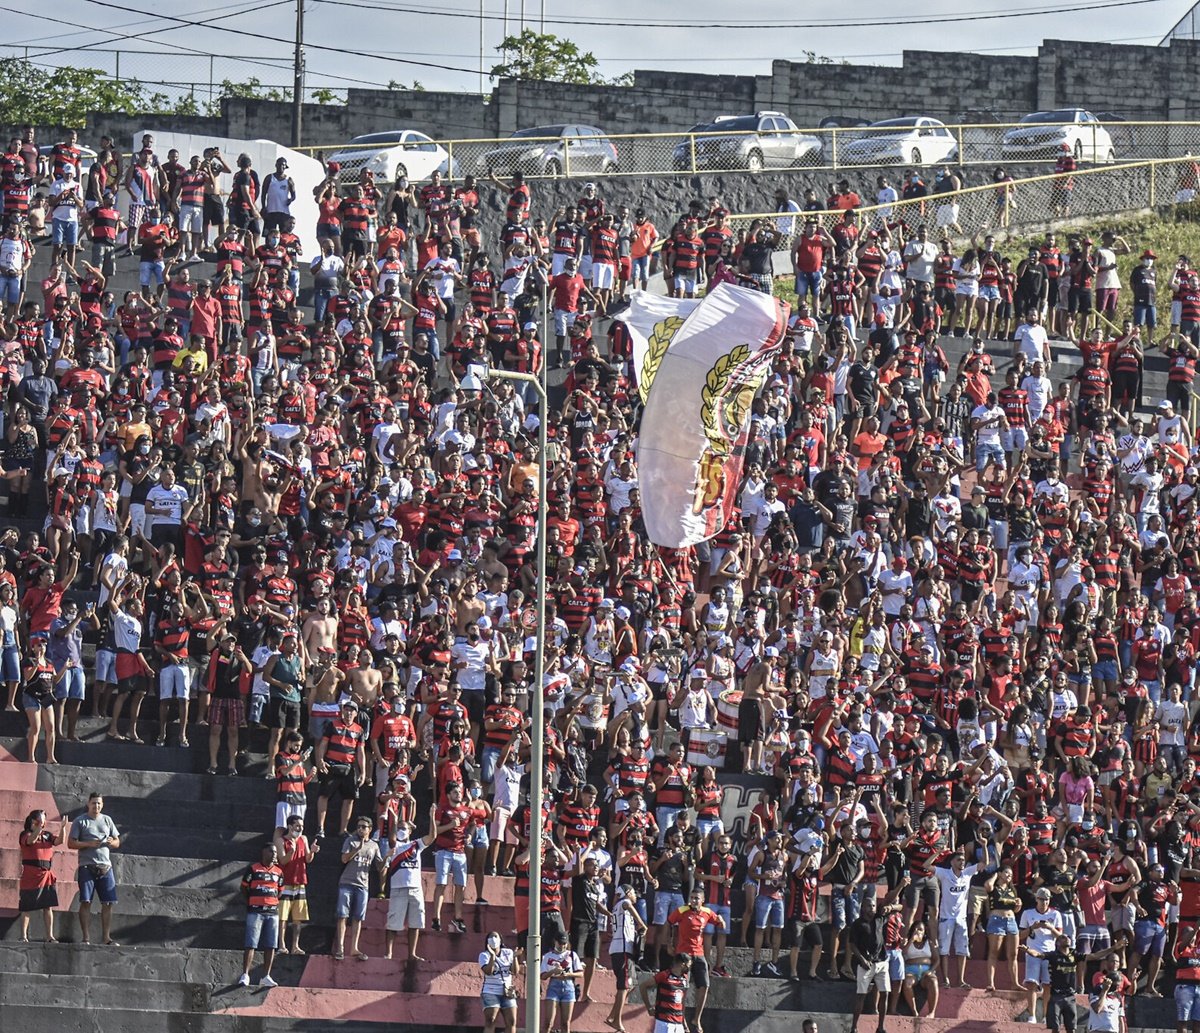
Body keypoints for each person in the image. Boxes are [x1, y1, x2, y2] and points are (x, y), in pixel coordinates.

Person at [384, 804, 438, 962]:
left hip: (415, 889)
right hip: (398, 889)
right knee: (393, 922)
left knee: (416, 921)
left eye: (404, 828)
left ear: (410, 831)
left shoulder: (416, 845)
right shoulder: (394, 846)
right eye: (399, 828)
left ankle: (412, 954)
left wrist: (432, 817)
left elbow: (432, 836)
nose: (401, 830)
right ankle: (388, 953)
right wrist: (394, 819)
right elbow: (392, 837)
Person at [667, 885, 724, 1033]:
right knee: (683, 988)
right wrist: (669, 943)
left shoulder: (706, 912)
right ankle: (682, 1019)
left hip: (698, 954)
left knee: (704, 985)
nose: (693, 900)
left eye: (696, 898)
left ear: (702, 900)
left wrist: (721, 921)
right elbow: (669, 922)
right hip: (683, 954)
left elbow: (718, 921)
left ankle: (696, 1018)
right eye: (691, 898)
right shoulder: (682, 911)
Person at [68, 793, 120, 946]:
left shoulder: (107, 820)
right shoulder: (80, 821)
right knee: (86, 901)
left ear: (102, 805)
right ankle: (86, 938)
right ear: (88, 804)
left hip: (106, 867)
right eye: (93, 803)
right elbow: (71, 843)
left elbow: (117, 841)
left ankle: (106, 938)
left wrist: (112, 842)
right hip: (87, 867)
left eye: (98, 803)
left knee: (108, 902)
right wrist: (89, 844)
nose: (96, 806)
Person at [334, 815, 384, 961]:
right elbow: (344, 859)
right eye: (359, 827)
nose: (360, 829)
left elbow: (379, 867)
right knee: (342, 915)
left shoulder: (374, 845)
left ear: (370, 829)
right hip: (346, 882)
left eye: (364, 827)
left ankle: (354, 948)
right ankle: (340, 948)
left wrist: (387, 857)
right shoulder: (350, 840)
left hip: (363, 885)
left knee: (358, 917)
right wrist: (357, 849)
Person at [273, 813, 319, 956]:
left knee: (298, 917)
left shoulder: (303, 839)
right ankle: (281, 945)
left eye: (302, 826)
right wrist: (291, 852)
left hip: (300, 882)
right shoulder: (281, 841)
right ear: (290, 826)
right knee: (283, 916)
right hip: (285, 882)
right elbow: (283, 860)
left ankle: (295, 946)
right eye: (297, 826)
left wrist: (312, 852)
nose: (300, 828)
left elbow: (307, 859)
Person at [18, 809, 66, 942]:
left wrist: (63, 828)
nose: (43, 823)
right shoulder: (25, 834)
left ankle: (49, 936)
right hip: (30, 874)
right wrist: (38, 827)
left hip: (46, 875)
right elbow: (30, 841)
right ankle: (23, 936)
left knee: (48, 906)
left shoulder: (47, 835)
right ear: (33, 820)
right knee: (26, 907)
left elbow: (59, 841)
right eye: (40, 819)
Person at [239, 843, 283, 987]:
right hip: (255, 911)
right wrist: (252, 901)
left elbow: (280, 891)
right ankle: (245, 975)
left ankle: (266, 976)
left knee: (271, 944)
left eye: (276, 852)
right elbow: (244, 887)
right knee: (251, 943)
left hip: (272, 913)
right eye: (271, 851)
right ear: (264, 852)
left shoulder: (279, 872)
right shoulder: (253, 869)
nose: (274, 854)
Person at [607, 883, 648, 1033]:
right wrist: (642, 924)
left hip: (623, 949)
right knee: (624, 985)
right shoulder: (624, 903)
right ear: (628, 892)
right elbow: (627, 904)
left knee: (631, 984)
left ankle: (612, 1016)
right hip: (621, 949)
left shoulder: (619, 908)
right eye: (633, 893)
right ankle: (616, 1021)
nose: (635, 895)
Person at [541, 930, 583, 1033]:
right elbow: (543, 976)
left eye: (564, 944)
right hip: (554, 986)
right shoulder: (548, 956)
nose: (562, 946)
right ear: (555, 941)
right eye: (560, 943)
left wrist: (568, 974)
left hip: (568, 987)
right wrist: (553, 971)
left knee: (565, 1023)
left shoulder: (572, 955)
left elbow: (580, 973)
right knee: (548, 1022)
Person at [639, 953, 691, 1033]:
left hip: (678, 1023)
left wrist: (684, 1024)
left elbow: (682, 1003)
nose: (689, 967)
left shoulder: (685, 979)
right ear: (682, 964)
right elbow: (643, 986)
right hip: (664, 1022)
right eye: (688, 964)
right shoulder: (664, 975)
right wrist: (649, 1007)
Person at [480, 929, 520, 1033]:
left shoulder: (508, 952)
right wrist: (492, 956)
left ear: (501, 940)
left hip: (507, 991)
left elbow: (515, 971)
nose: (493, 939)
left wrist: (515, 958)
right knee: (491, 1020)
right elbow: (488, 971)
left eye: (496, 936)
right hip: (491, 991)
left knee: (511, 1021)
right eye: (491, 937)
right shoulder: (484, 955)